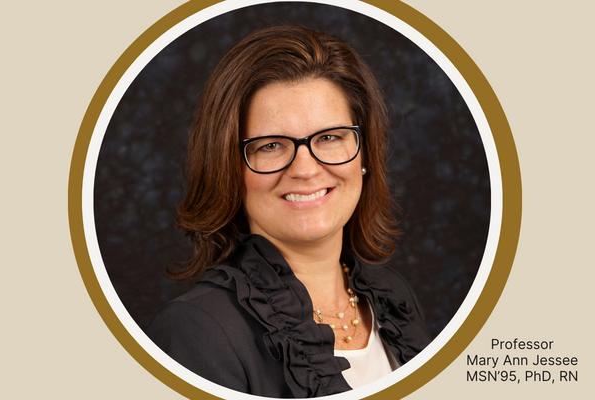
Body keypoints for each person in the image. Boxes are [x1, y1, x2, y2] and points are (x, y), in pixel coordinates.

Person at [146, 25, 430, 397]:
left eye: (329, 137)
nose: (306, 170)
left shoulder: (393, 297)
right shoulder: (197, 331)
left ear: (363, 154)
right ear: (228, 167)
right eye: (271, 146)